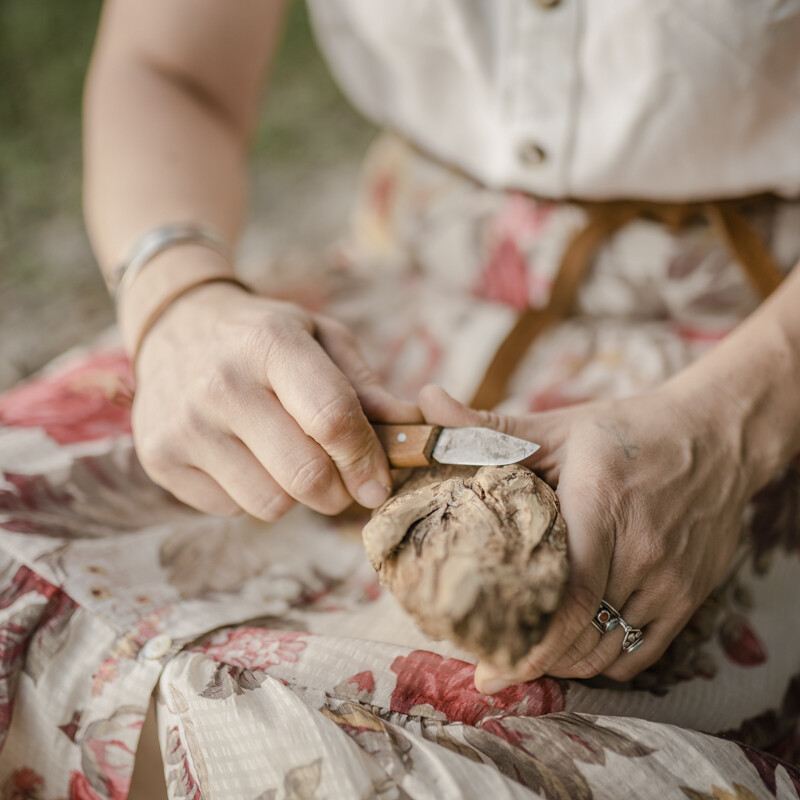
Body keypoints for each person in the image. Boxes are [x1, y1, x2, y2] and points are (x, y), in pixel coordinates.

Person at [1, 1, 799, 797]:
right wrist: (180, 301)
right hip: (377, 313)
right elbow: (170, 68)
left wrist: (736, 426)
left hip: (750, 363)